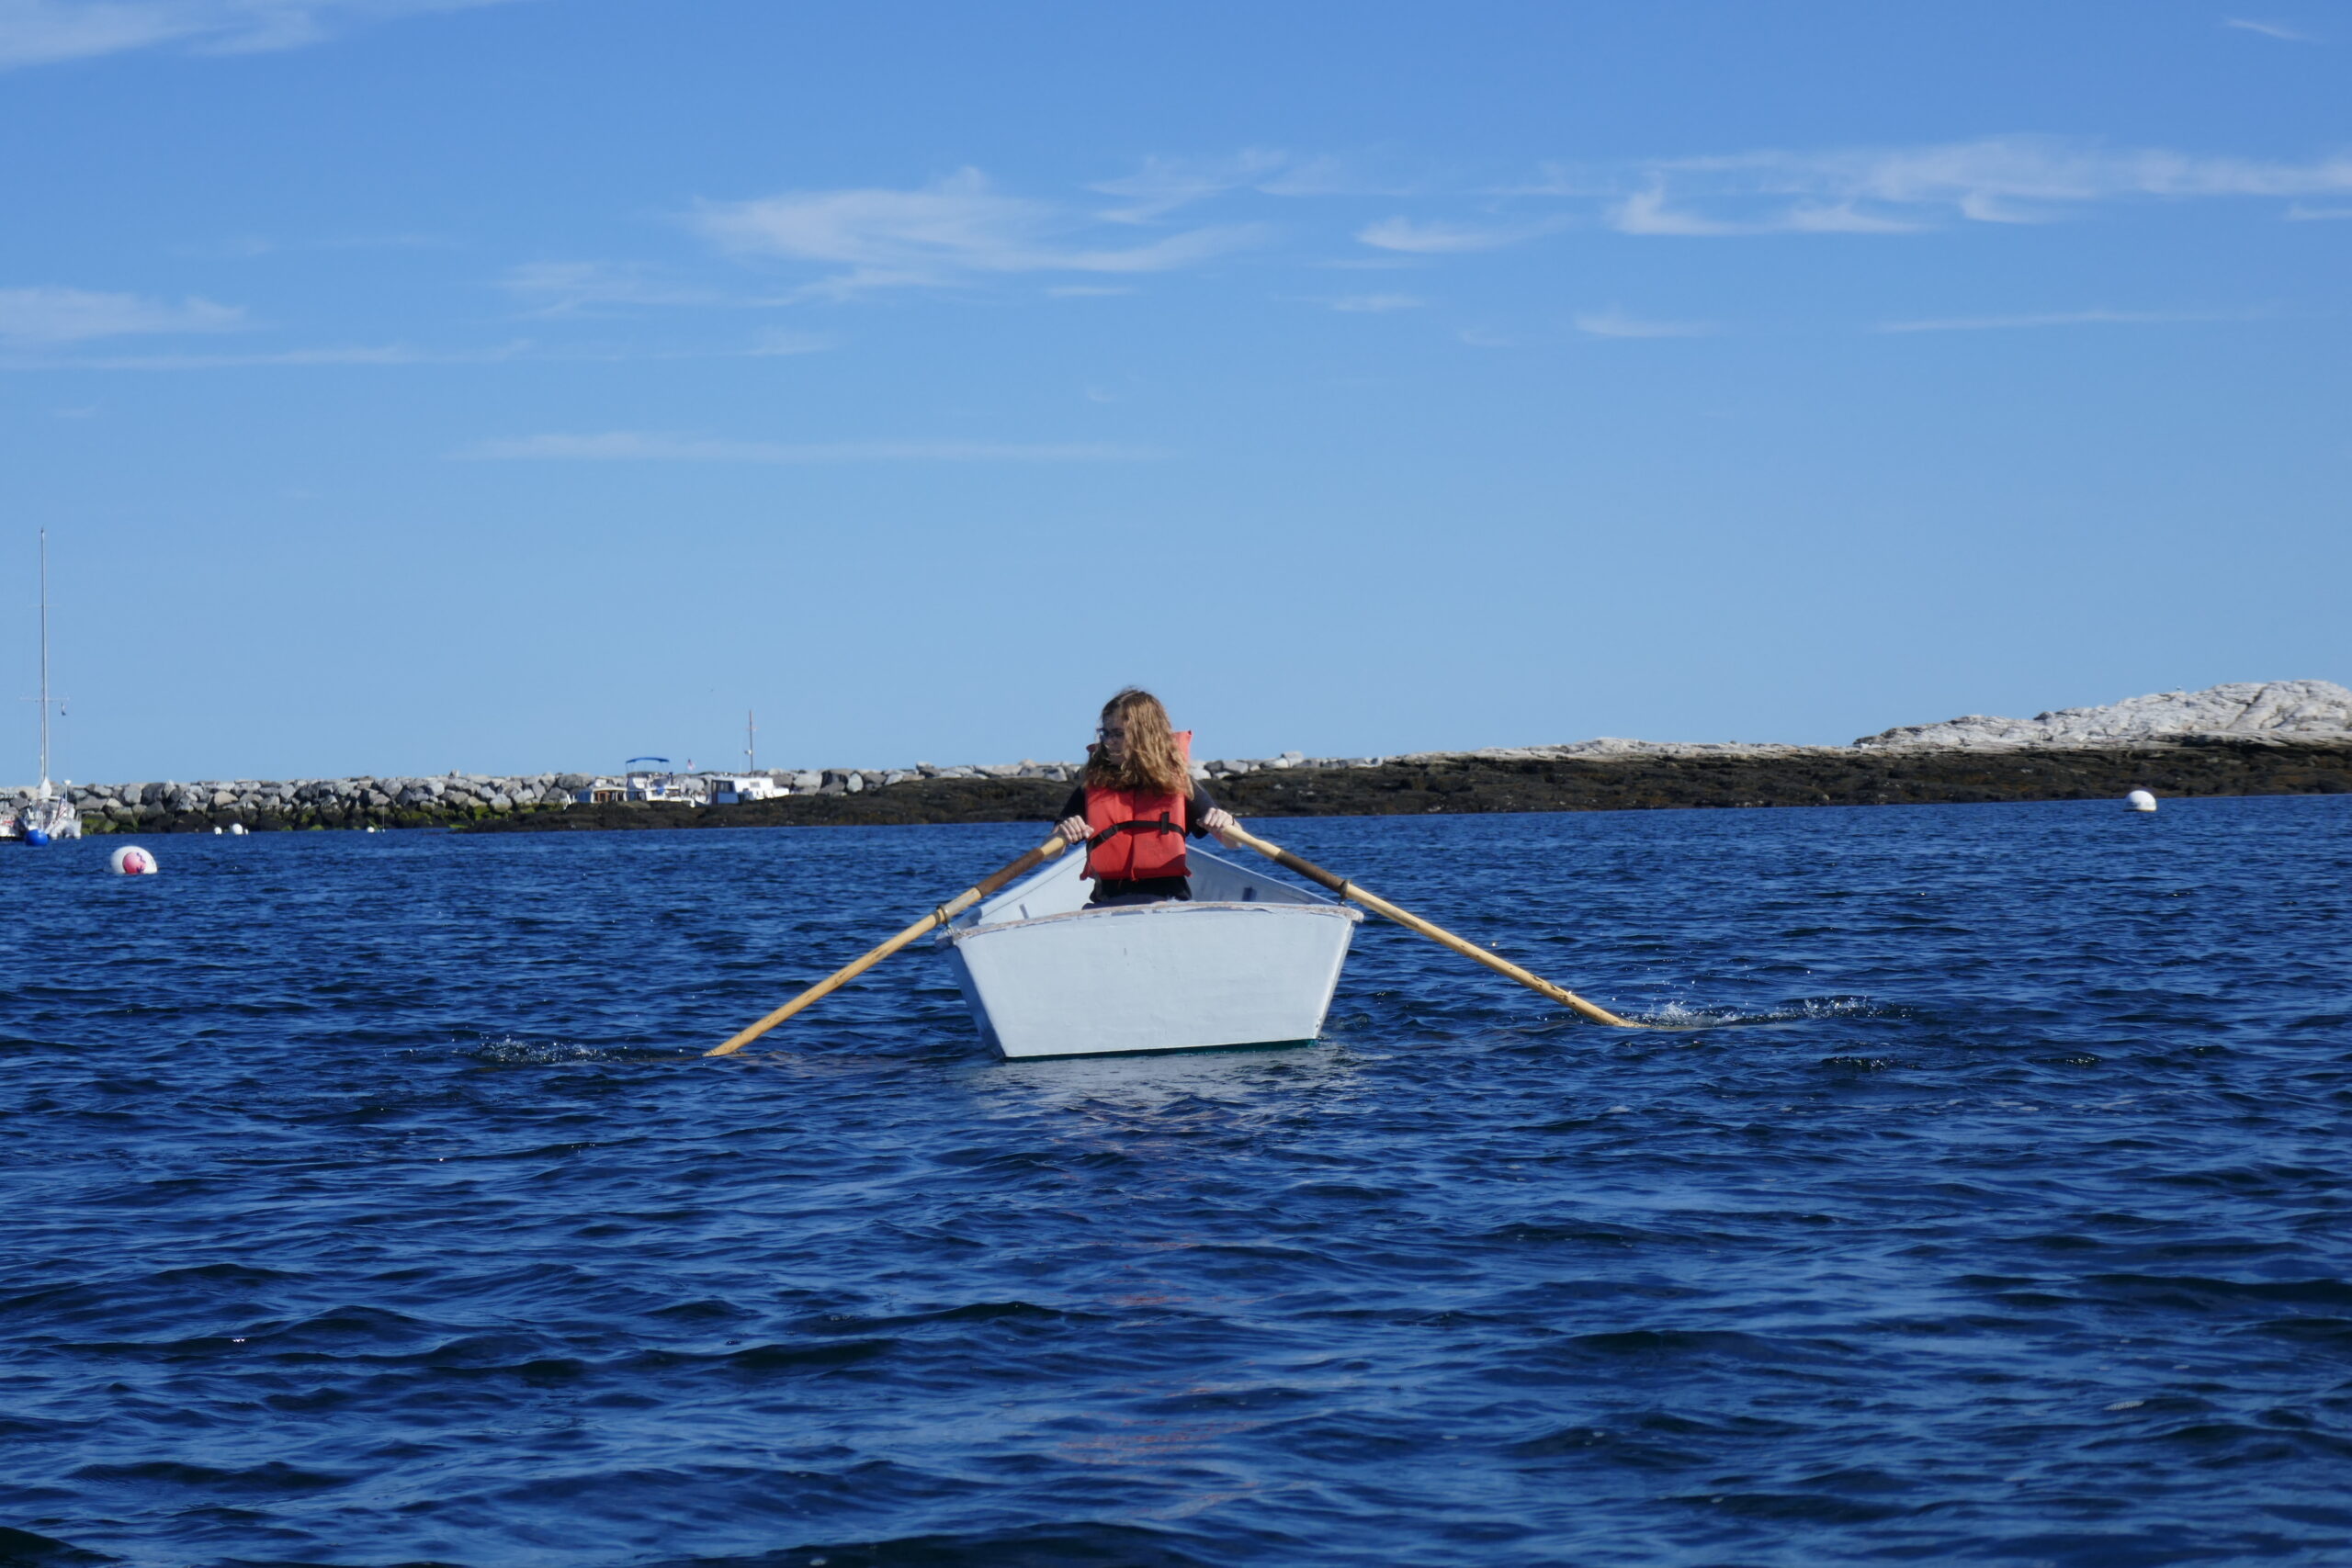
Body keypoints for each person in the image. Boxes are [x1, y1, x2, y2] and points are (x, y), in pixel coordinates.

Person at [1053, 688, 1238, 907]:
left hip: (1169, 906)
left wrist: (1227, 823)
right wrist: (1062, 833)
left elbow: (1232, 842)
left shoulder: (1179, 786)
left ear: (1145, 736)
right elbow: (1052, 852)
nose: (1108, 742)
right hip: (1107, 907)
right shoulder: (1091, 789)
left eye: (1118, 734)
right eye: (1105, 733)